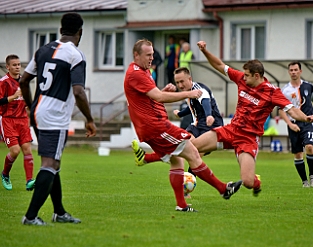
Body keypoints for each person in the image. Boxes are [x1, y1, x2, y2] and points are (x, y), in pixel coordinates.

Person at [124, 39, 242, 212]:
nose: (151, 58)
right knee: (193, 153)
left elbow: (150, 98)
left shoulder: (142, 71)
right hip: (156, 126)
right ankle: (223, 189)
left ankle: (182, 205)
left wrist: (163, 91)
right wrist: (189, 93)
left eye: (152, 54)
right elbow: (159, 98)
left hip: (151, 126)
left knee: (177, 160)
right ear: (136, 55)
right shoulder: (137, 73)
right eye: (148, 55)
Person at [190, 41, 313, 196]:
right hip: (231, 130)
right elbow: (220, 66)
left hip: (248, 138)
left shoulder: (272, 92)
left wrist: (307, 119)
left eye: (247, 75)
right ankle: (219, 187)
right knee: (191, 147)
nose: (244, 78)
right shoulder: (242, 79)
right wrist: (205, 51)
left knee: (248, 182)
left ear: (257, 76)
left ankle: (256, 182)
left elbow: (293, 111)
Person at [19, 12, 96, 225]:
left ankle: (59, 212)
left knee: (55, 162)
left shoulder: (42, 50)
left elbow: (24, 81)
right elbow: (79, 92)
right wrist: (89, 119)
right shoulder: (75, 55)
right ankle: (30, 216)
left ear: (61, 29)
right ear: (80, 32)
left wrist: (29, 105)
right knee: (50, 163)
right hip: (55, 116)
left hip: (38, 112)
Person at [0, 54, 36, 191]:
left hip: (22, 120)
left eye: (19, 65)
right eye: (14, 65)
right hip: (8, 120)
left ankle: (29, 181)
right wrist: (13, 96)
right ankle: (5, 174)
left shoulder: (23, 82)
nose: (17, 67)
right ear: (8, 67)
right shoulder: (3, 82)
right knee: (15, 151)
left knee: (27, 149)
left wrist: (29, 106)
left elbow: (27, 101)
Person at [279, 61, 313, 188]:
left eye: (295, 70)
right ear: (289, 72)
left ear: (300, 71)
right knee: (298, 154)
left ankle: (312, 176)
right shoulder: (285, 90)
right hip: (293, 124)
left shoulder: (309, 87)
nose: (293, 72)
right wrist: (289, 124)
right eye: (291, 70)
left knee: (310, 147)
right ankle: (305, 181)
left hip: (308, 122)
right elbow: (281, 110)